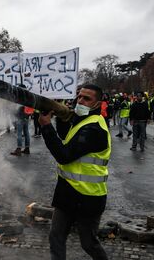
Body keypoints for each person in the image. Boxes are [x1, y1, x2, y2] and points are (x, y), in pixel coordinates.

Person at [39, 84, 110, 260]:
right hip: (68, 192)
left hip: (88, 197)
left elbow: (64, 155)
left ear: (97, 104)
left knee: (88, 243)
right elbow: (66, 138)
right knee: (56, 236)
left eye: (87, 98)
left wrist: (46, 127)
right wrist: (62, 119)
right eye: (79, 96)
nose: (80, 100)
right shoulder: (82, 120)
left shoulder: (94, 128)